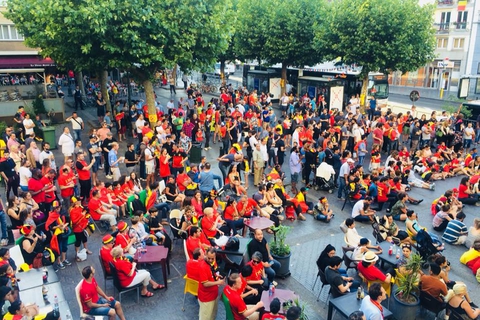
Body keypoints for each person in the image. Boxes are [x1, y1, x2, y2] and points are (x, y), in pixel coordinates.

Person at [197, 246, 224, 320]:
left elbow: (211, 273)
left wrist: (216, 276)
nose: (210, 260)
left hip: (213, 295)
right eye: (209, 258)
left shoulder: (210, 263)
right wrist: (218, 282)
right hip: (207, 298)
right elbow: (205, 284)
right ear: (205, 254)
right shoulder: (202, 266)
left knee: (212, 315)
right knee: (205, 317)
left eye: (212, 258)